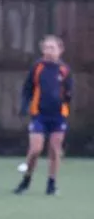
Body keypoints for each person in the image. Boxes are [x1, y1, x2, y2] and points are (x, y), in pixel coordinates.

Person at [14, 34, 72, 196]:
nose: (48, 51)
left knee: (55, 150)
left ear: (60, 50)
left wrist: (66, 100)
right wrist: (24, 106)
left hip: (58, 116)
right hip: (39, 115)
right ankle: (26, 180)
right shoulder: (37, 67)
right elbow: (27, 89)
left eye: (52, 48)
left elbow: (69, 90)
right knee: (35, 150)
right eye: (46, 48)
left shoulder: (64, 70)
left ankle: (51, 183)